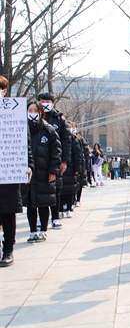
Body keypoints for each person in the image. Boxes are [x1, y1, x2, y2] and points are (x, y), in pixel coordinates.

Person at [0, 76, 34, 266]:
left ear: (4, 91)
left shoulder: (14, 112)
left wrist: (28, 164)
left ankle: (8, 249)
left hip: (8, 170)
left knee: (7, 211)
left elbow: (25, 142)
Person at [23, 101, 62, 243]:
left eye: (35, 110)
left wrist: (53, 170)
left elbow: (56, 152)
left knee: (44, 202)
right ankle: (33, 230)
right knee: (31, 203)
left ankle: (43, 230)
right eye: (30, 110)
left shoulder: (49, 130)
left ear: (41, 112)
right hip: (29, 173)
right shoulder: (22, 128)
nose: (32, 113)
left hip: (44, 172)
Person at [38, 92, 71, 229]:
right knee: (39, 190)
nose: (45, 104)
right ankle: (41, 218)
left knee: (55, 189)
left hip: (55, 159)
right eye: (42, 101)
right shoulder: (34, 118)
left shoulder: (59, 119)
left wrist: (65, 161)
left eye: (48, 101)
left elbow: (66, 140)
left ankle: (55, 216)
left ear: (53, 103)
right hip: (39, 160)